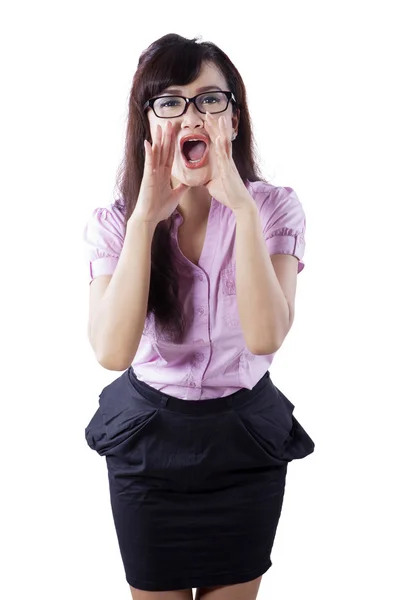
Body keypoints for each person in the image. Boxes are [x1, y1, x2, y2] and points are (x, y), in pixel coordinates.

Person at [83, 33, 315, 600]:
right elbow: (112, 352)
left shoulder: (274, 208)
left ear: (233, 120)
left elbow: (266, 336)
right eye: (171, 102)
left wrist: (239, 205)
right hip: (147, 445)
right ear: (150, 125)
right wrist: (145, 221)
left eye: (210, 100)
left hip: (244, 445)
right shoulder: (115, 222)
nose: (193, 114)